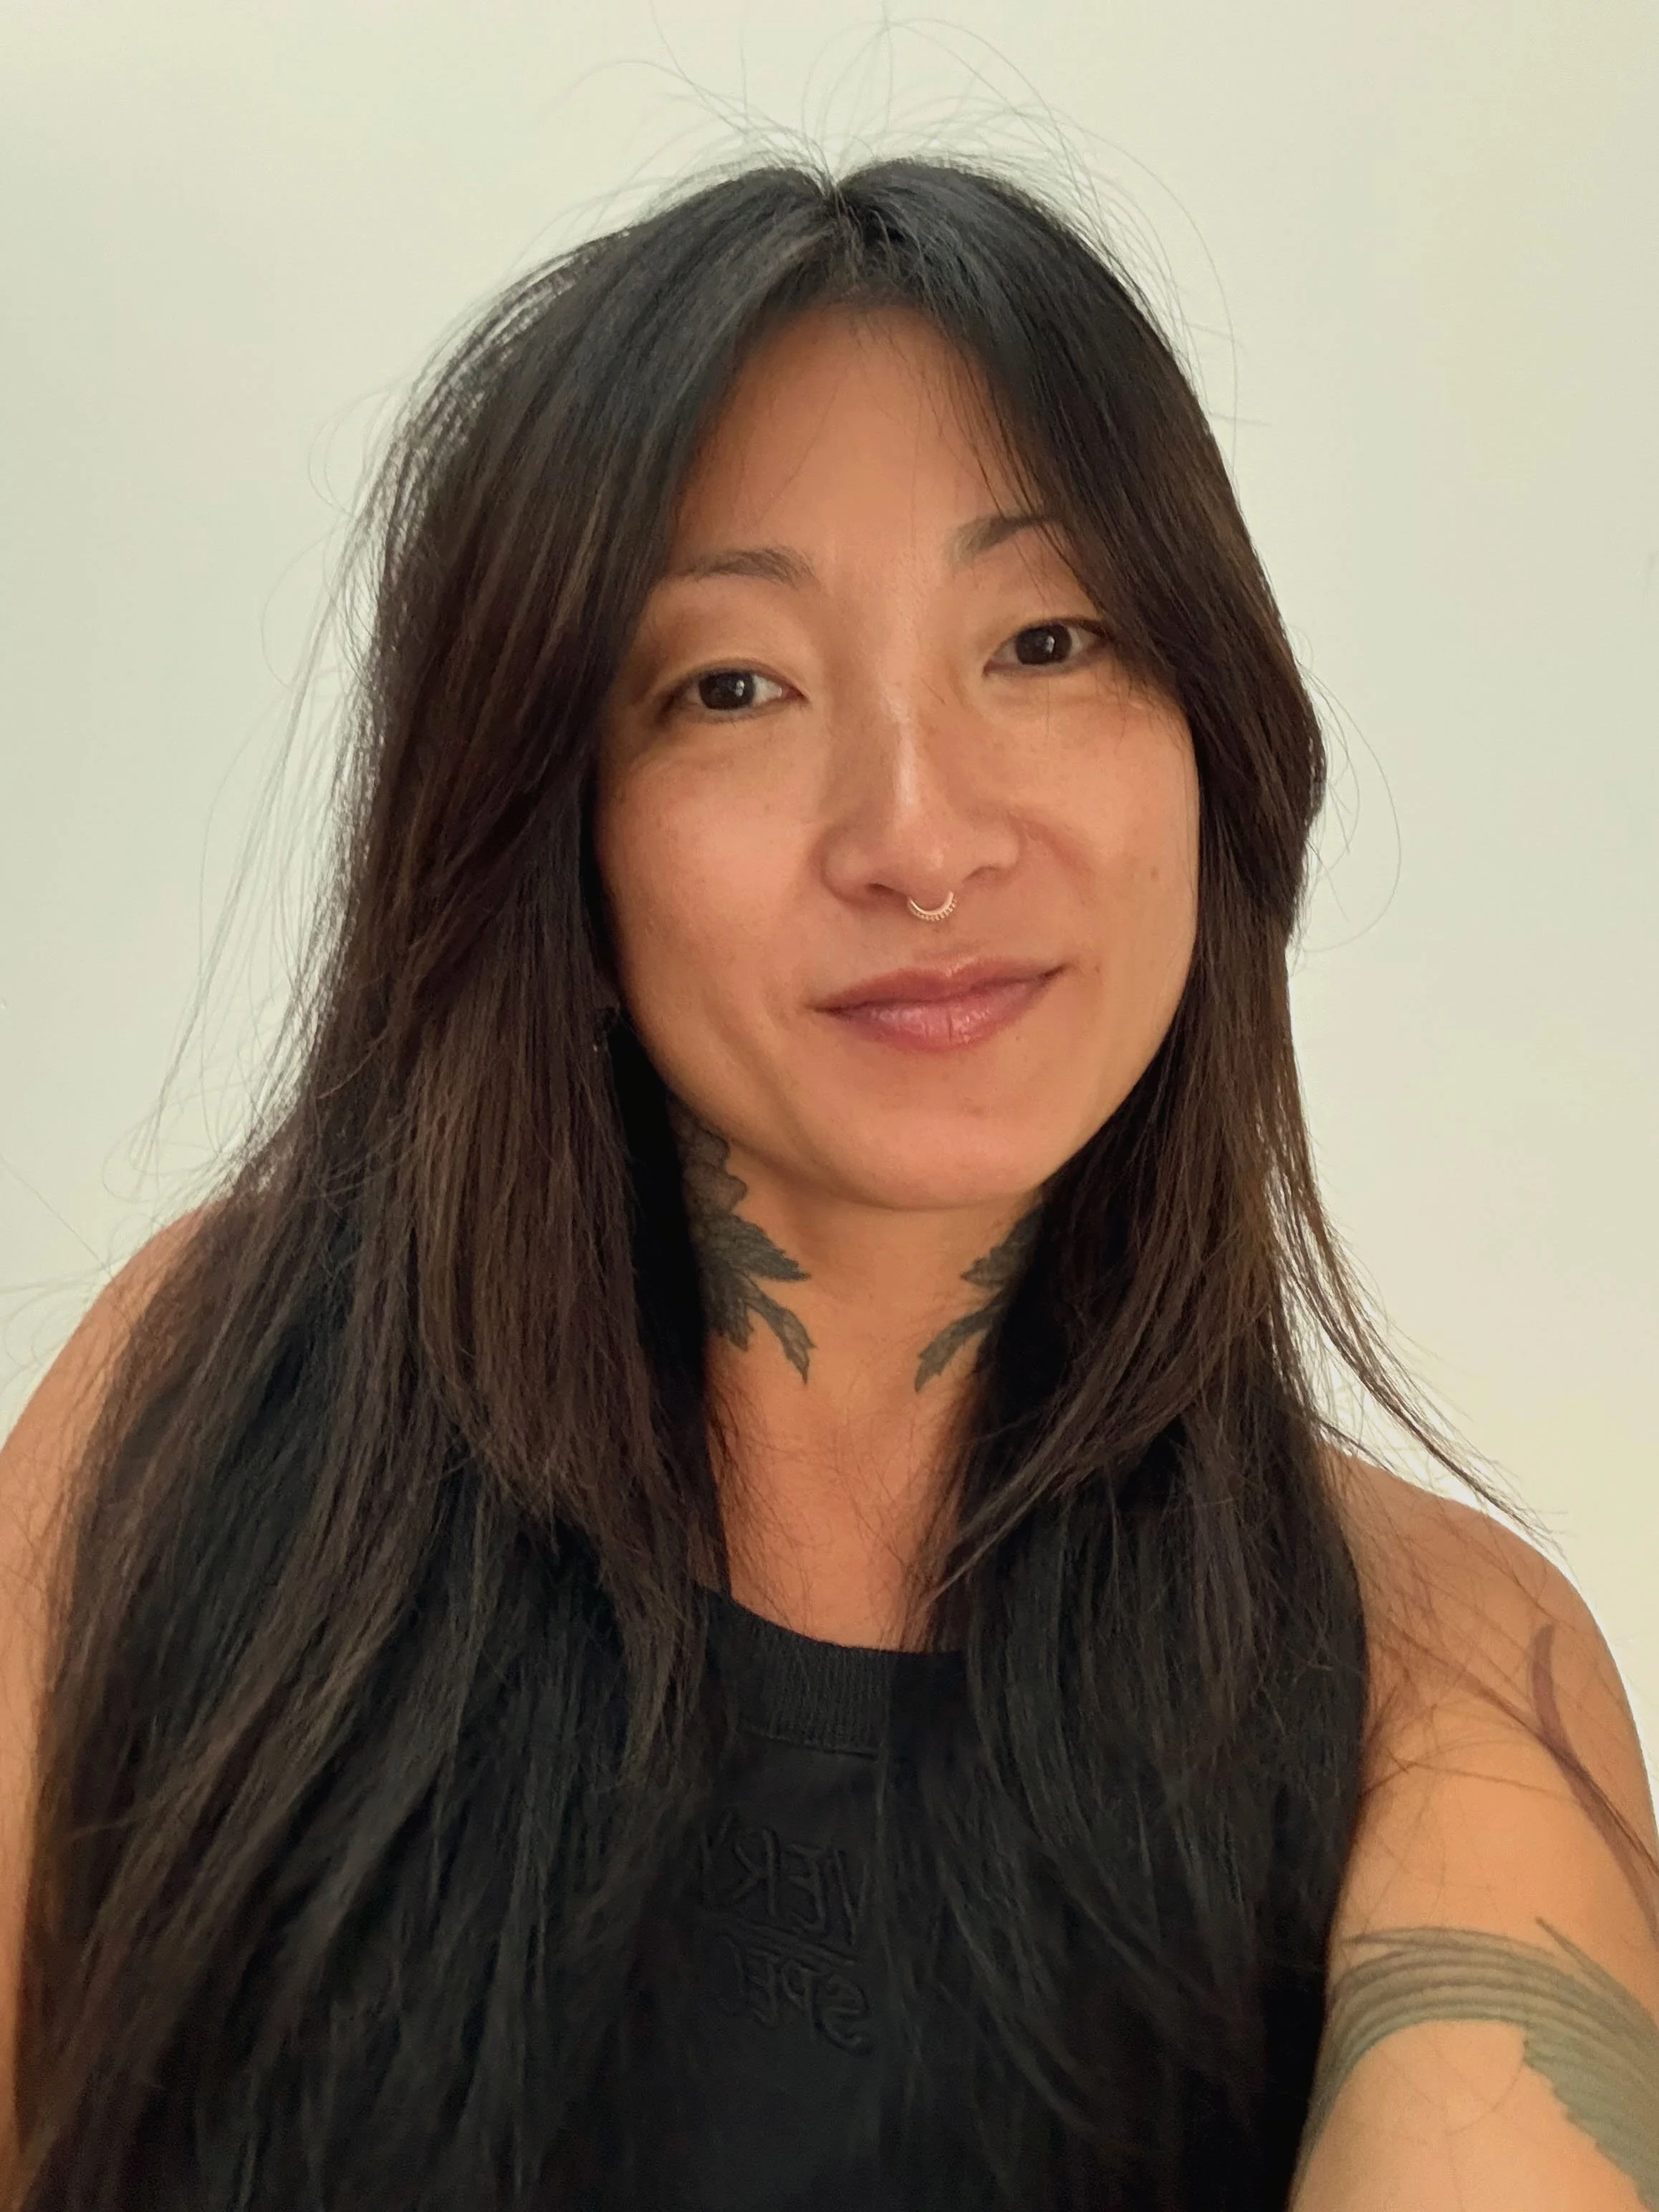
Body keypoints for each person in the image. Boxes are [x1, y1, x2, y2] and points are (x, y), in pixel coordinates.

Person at [0, 154, 1654, 2212]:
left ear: (1210, 733)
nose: (919, 835)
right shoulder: (224, 1410)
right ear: (552, 826)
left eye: (1045, 641)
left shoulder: (1432, 1660)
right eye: (733, 687)